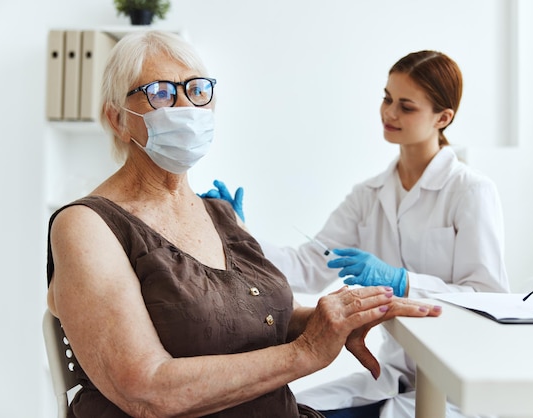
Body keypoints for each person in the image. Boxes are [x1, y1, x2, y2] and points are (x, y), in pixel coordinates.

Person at [45, 31, 444, 418]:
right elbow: (147, 391)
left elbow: (261, 319)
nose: (186, 107)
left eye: (197, 90)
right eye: (161, 93)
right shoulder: (87, 225)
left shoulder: (220, 214)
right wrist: (305, 352)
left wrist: (337, 316)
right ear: (118, 119)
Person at [203, 50, 510, 418]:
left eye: (406, 106)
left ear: (443, 118)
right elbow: (308, 266)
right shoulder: (369, 195)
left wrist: (404, 282)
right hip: (391, 377)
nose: (389, 113)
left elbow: (491, 298)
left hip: (458, 384)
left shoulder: (470, 190)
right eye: (387, 98)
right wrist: (239, 232)